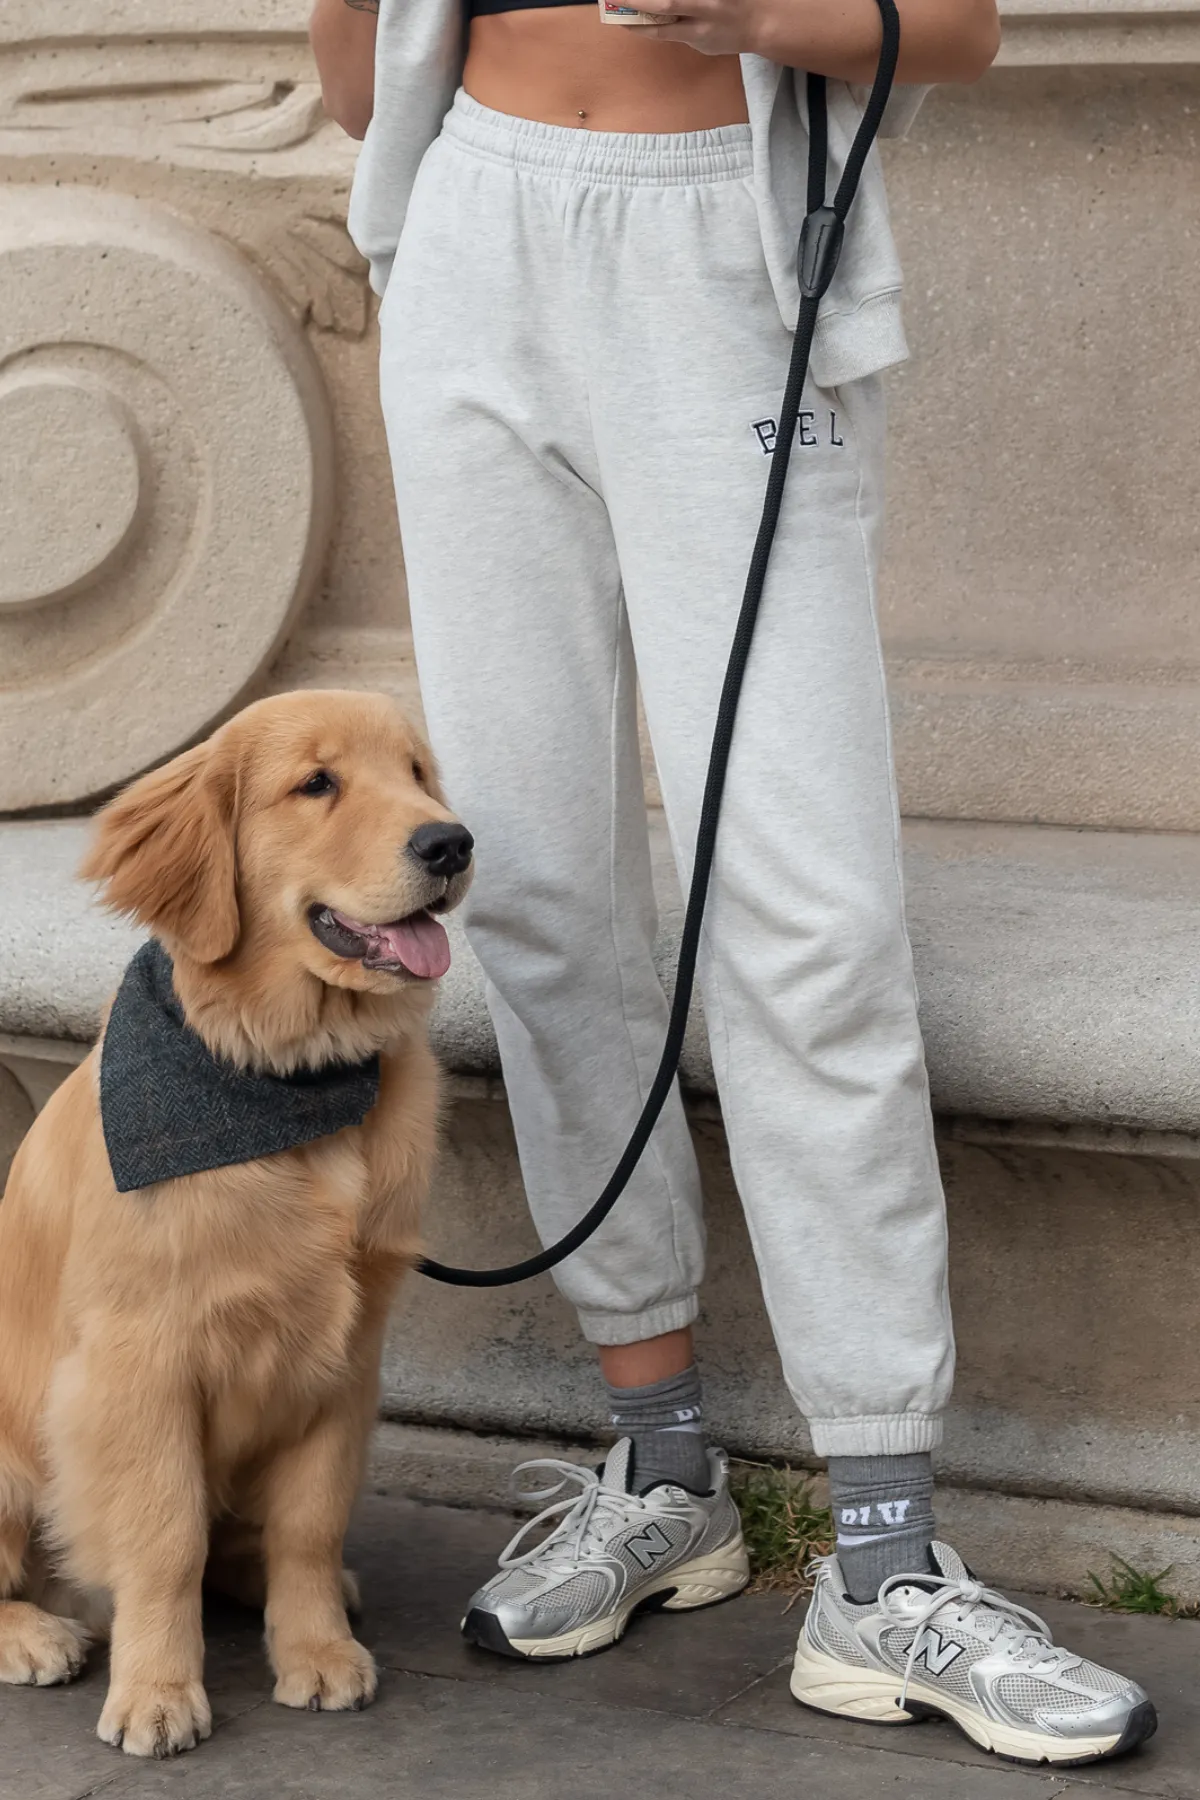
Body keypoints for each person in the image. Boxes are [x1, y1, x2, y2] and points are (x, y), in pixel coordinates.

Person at [310, 0, 1157, 1764]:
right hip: (474, 229)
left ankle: (883, 1562)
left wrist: (754, 16)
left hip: (715, 251)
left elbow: (963, 31)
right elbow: (347, 63)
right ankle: (666, 1466)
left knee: (809, 916)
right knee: (536, 896)